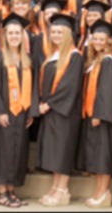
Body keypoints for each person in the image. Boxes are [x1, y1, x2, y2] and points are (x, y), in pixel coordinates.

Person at [0, 13, 37, 208]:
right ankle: (2, 192)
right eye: (10, 33)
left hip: (21, 114)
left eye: (17, 33)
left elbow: (34, 87)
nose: (14, 36)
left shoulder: (27, 59)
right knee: (3, 152)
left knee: (18, 152)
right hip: (5, 113)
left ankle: (12, 191)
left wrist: (31, 112)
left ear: (23, 36)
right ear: (5, 36)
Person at [37, 13, 84, 207]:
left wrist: (49, 104)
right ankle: (55, 188)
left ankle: (63, 190)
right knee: (55, 151)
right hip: (52, 111)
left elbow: (69, 85)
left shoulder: (74, 56)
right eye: (53, 31)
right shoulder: (53, 55)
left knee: (63, 150)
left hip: (65, 112)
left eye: (60, 32)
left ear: (68, 34)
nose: (56, 35)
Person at [76, 20, 112, 208]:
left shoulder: (108, 61)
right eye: (95, 39)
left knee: (103, 156)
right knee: (98, 155)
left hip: (101, 117)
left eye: (102, 39)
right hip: (93, 114)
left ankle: (103, 192)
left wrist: (99, 115)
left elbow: (107, 91)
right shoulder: (95, 60)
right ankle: (99, 191)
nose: (98, 42)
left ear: (108, 41)